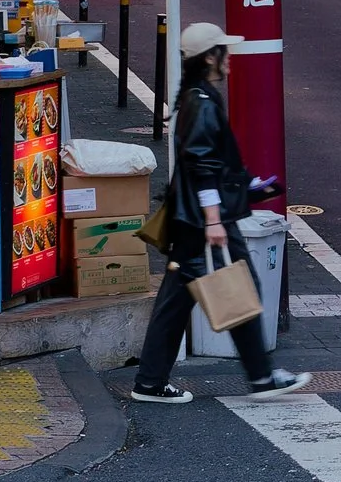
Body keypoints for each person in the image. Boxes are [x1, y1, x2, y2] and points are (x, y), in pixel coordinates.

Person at [129, 24, 307, 402]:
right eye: (224, 51)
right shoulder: (204, 102)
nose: (229, 58)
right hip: (203, 221)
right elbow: (202, 162)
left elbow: (202, 161)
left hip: (190, 218)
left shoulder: (197, 97)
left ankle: (150, 381)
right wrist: (214, 219)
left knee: (178, 302)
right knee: (239, 290)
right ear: (211, 56)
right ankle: (260, 378)